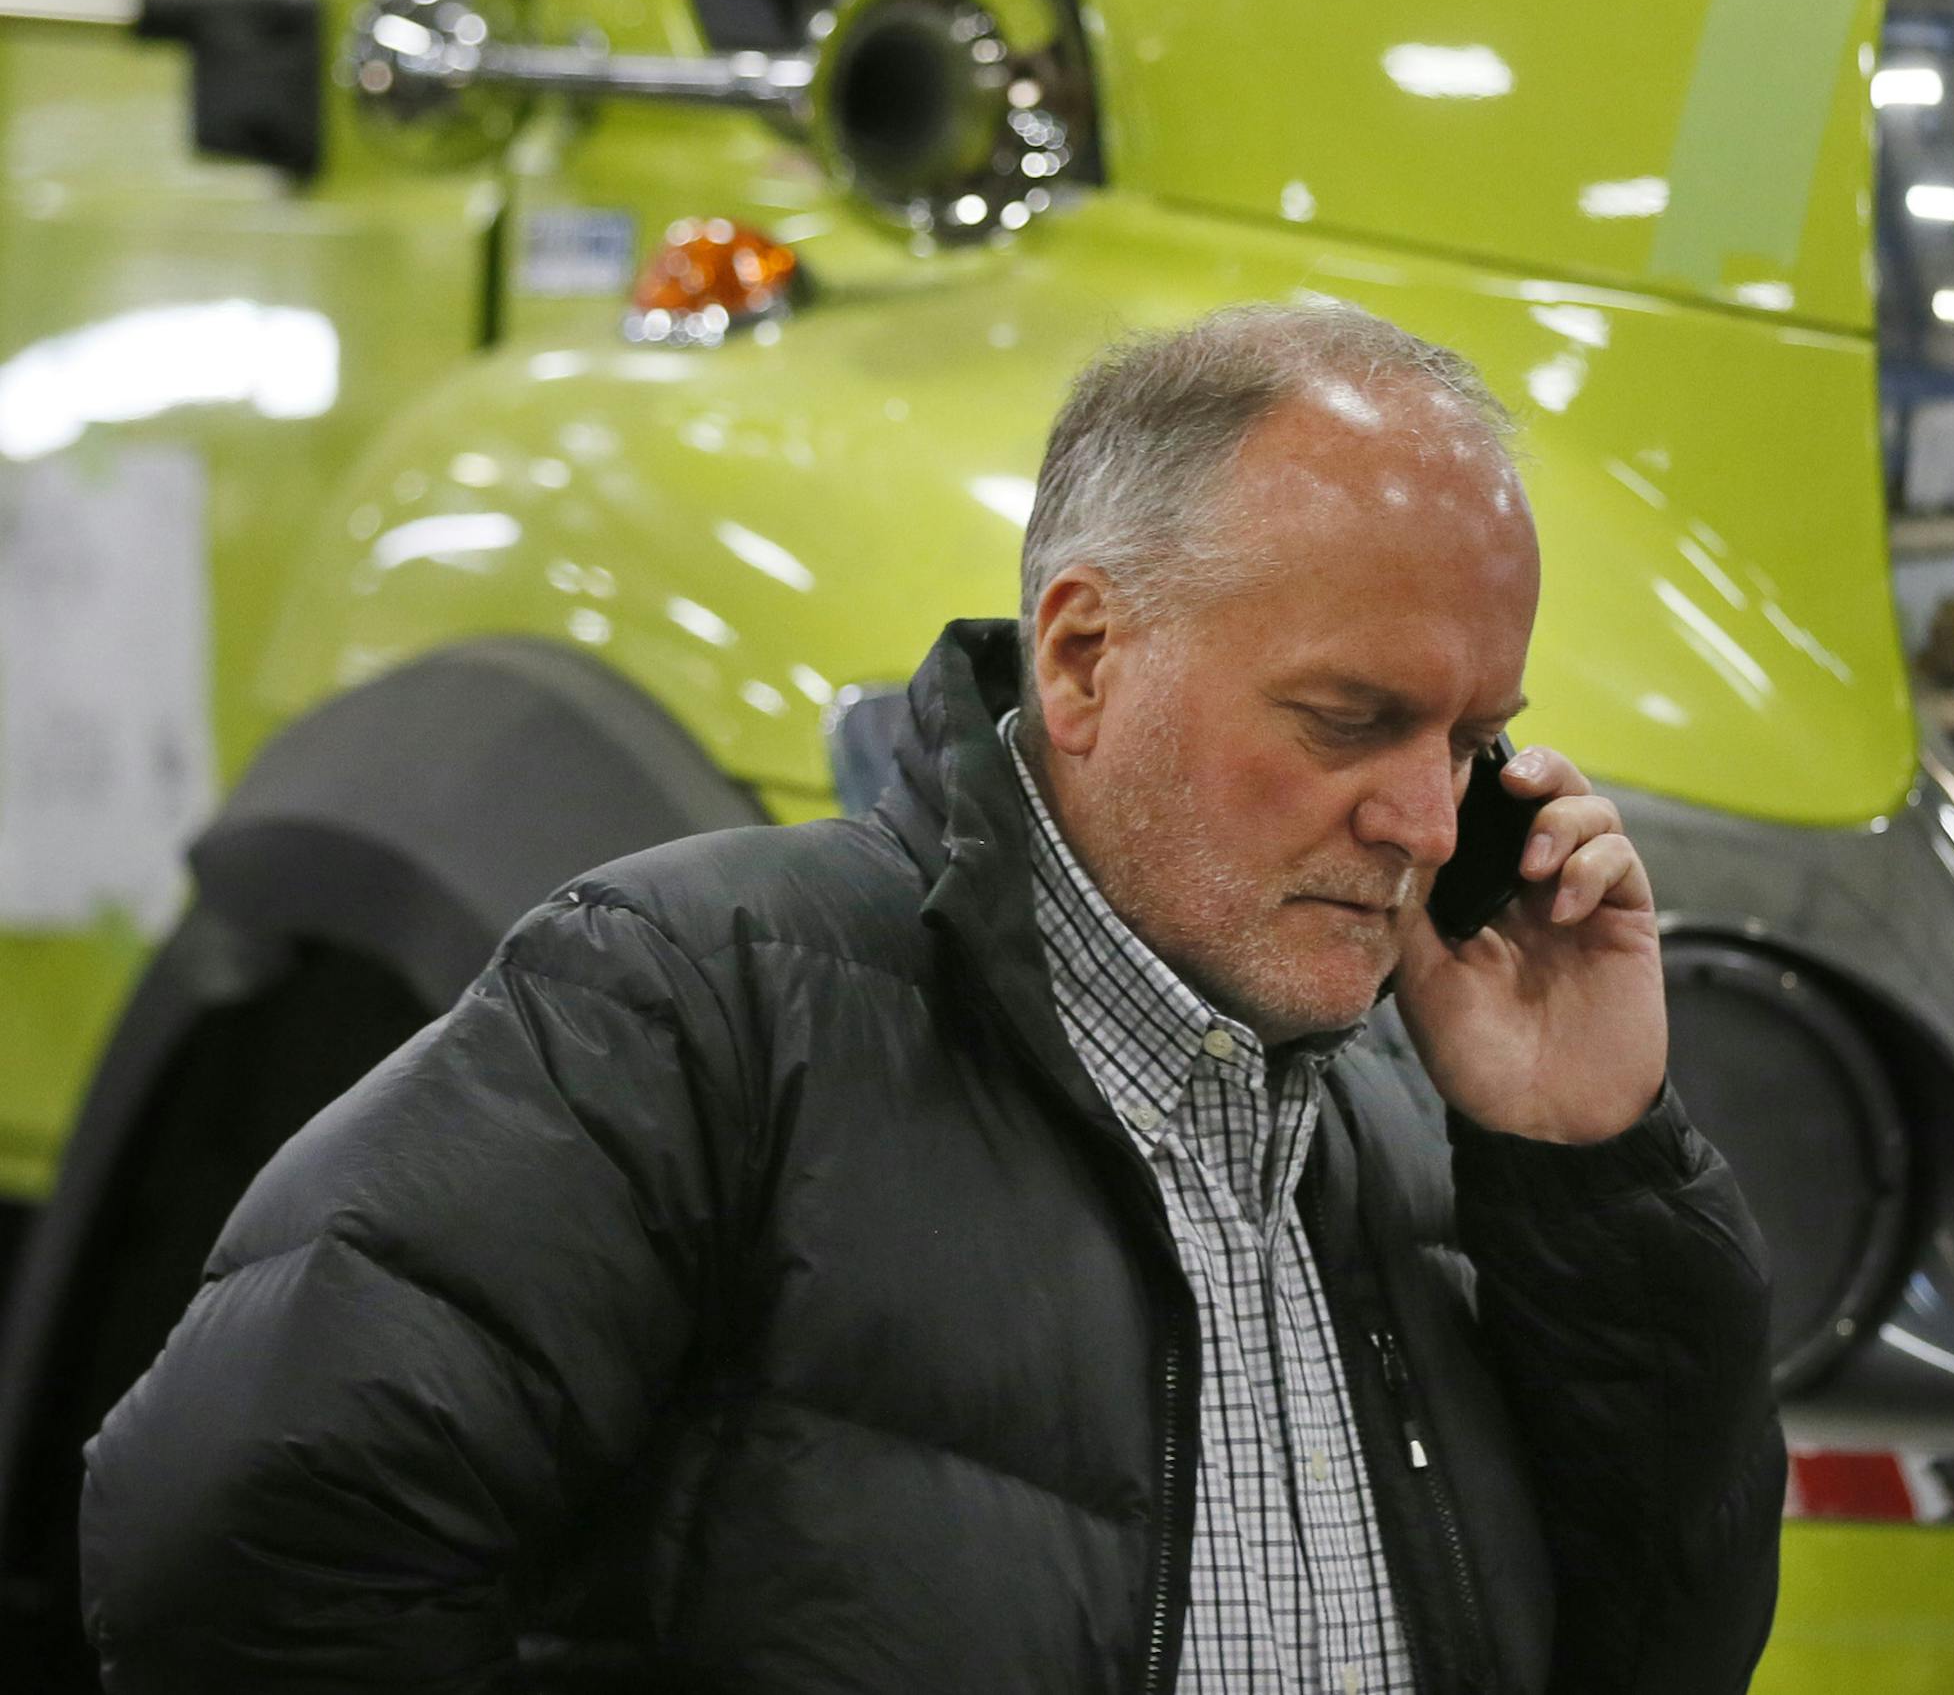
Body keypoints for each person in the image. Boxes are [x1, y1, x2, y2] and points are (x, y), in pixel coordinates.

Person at [80, 304, 1784, 1693]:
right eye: (1349, 721)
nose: (1428, 824)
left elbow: (1666, 1650)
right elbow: (237, 1544)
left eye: (1475, 744)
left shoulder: (1413, 1135)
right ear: (1085, 657)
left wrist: (1589, 1170)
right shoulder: (704, 1007)